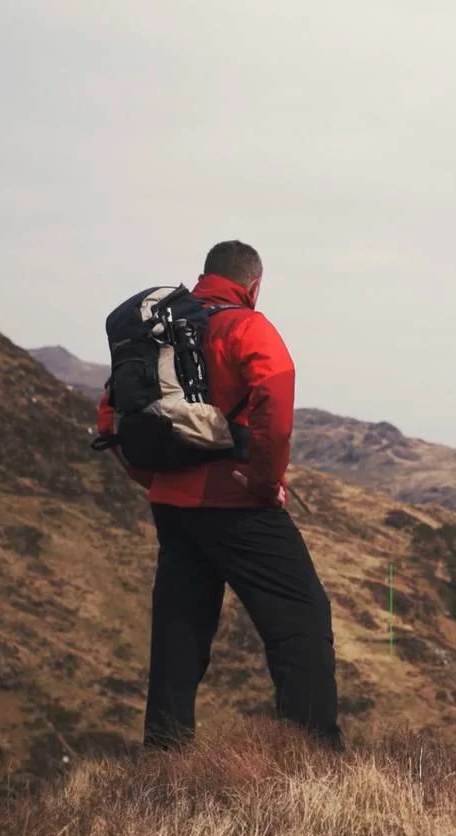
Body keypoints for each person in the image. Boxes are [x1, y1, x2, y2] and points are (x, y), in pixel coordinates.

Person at [97, 240, 342, 750]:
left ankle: (166, 764)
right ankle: (313, 758)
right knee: (302, 621)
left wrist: (153, 480)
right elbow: (276, 403)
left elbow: (109, 414)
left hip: (172, 509)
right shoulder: (245, 326)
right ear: (253, 285)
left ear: (205, 276)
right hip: (236, 505)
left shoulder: (158, 331)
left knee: (179, 638)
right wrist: (262, 482)